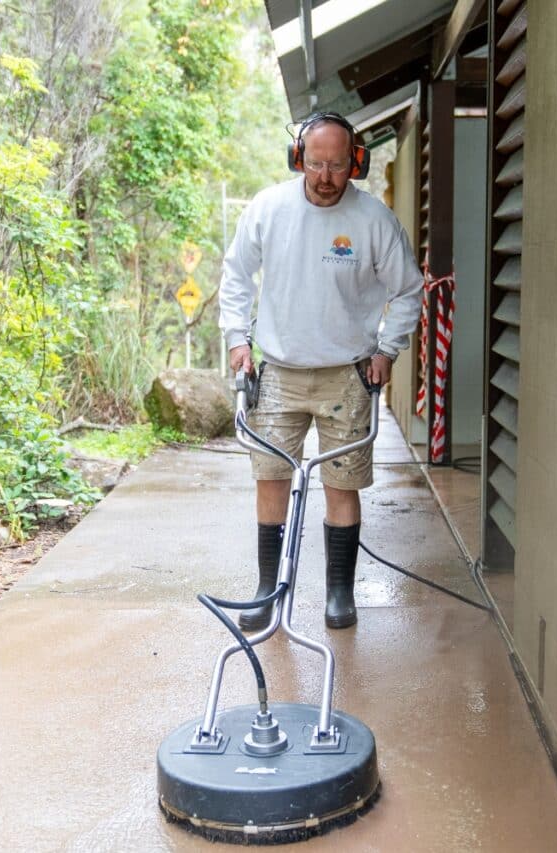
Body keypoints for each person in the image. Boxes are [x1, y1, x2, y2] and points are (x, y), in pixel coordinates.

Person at [218, 112, 423, 630]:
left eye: (336, 165)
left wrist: (387, 351)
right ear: (298, 159)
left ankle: (339, 593)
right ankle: (267, 588)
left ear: (356, 161)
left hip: (346, 374)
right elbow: (237, 274)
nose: (325, 176)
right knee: (270, 480)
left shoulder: (373, 220)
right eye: (315, 164)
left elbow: (408, 289)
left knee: (340, 486)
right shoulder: (269, 209)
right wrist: (238, 341)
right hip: (280, 372)